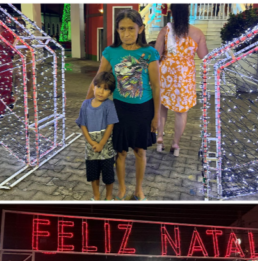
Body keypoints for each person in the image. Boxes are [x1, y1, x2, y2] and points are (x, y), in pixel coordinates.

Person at [87, 9, 161, 201]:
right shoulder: (111, 52)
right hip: (119, 109)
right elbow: (98, 78)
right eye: (122, 29)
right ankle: (122, 188)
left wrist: (156, 117)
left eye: (131, 28)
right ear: (117, 30)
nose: (126, 33)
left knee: (140, 151)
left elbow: (156, 86)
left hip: (143, 110)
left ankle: (138, 189)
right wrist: (87, 104)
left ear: (141, 29)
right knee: (120, 152)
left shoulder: (149, 53)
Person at [153, 4, 208, 156]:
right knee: (181, 112)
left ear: (172, 14)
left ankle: (159, 138)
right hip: (184, 77)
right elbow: (204, 56)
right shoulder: (197, 33)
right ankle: (176, 144)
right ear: (187, 13)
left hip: (165, 73)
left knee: (162, 107)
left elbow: (156, 54)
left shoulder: (165, 31)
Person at [77, 71, 120, 201]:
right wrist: (91, 142)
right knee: (93, 173)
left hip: (106, 145)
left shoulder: (109, 105)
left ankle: (108, 197)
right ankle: (96, 196)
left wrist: (101, 144)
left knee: (108, 174)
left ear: (110, 92)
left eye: (106, 89)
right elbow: (82, 125)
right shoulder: (85, 104)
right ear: (93, 87)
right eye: (99, 87)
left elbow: (110, 126)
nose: (101, 91)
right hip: (90, 146)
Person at [0, 22, 17, 116]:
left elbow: (12, 49)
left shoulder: (7, 33)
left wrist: (0, 40)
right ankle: (9, 100)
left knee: (4, 87)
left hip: (5, 63)